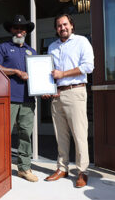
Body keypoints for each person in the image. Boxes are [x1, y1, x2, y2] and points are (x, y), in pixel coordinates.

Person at [43, 14, 94, 188]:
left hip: (75, 91)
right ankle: (62, 168)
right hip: (58, 95)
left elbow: (88, 66)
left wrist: (63, 74)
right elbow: (49, 72)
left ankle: (82, 171)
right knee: (61, 135)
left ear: (71, 25)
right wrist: (47, 88)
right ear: (56, 29)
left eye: (65, 24)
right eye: (58, 25)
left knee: (79, 134)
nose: (62, 28)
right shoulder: (52, 47)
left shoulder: (82, 42)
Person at [0, 15, 38, 182]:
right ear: (11, 29)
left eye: (22, 28)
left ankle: (24, 168)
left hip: (28, 99)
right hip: (8, 98)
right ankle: (1, 168)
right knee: (4, 134)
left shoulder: (32, 52)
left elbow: (39, 74)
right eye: (16, 28)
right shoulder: (2, 48)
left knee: (26, 134)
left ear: (26, 31)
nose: (19, 31)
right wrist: (15, 72)